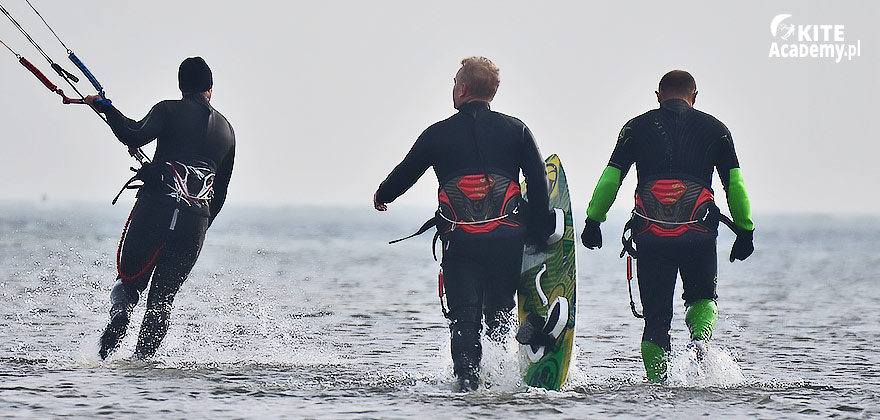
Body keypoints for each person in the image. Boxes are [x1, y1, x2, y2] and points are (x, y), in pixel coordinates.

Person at [373, 56, 553, 391]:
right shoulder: (517, 129)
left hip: (462, 243)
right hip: (506, 240)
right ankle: (501, 378)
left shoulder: (437, 134)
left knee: (464, 317)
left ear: (463, 88)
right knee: (500, 309)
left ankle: (467, 385)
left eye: (455, 82)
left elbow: (406, 173)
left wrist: (383, 194)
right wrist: (541, 229)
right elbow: (539, 178)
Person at [580, 70, 754, 382]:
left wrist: (594, 221)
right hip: (699, 235)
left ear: (658, 96)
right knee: (702, 299)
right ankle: (700, 349)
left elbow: (611, 179)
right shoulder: (717, 130)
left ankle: (658, 386)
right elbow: (735, 185)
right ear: (694, 96)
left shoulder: (636, 127)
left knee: (656, 320)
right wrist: (745, 231)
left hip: (651, 236)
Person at [84, 57, 235, 360]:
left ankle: (118, 321)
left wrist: (104, 108)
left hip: (156, 210)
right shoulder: (228, 131)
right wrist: (199, 227)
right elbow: (219, 195)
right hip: (195, 224)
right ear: (211, 88)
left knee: (128, 285)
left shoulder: (169, 109)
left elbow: (133, 133)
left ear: (181, 86)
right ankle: (142, 367)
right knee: (162, 301)